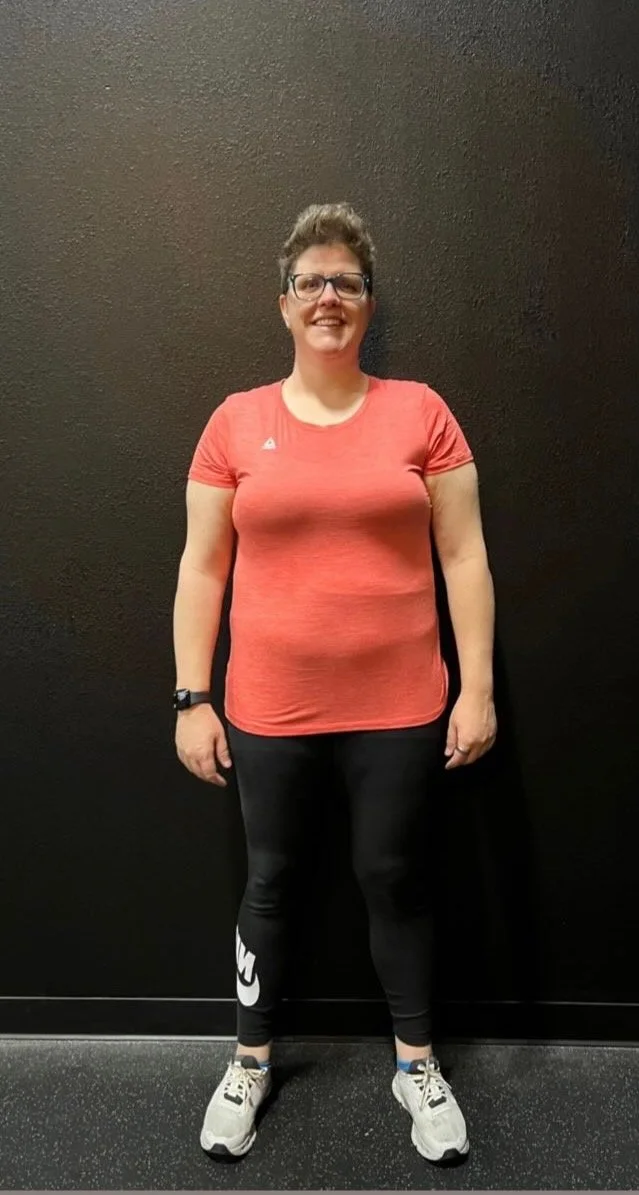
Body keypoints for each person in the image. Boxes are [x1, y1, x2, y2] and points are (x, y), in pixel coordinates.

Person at [173, 202, 496, 1163]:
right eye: (312, 281)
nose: (329, 297)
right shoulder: (235, 421)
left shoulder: (421, 411)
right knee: (270, 882)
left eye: (346, 283)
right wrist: (193, 695)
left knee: (393, 878)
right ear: (285, 305)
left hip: (401, 705)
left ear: (367, 303)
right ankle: (249, 1058)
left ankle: (417, 1066)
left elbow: (467, 557)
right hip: (268, 706)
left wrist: (476, 688)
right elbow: (202, 569)